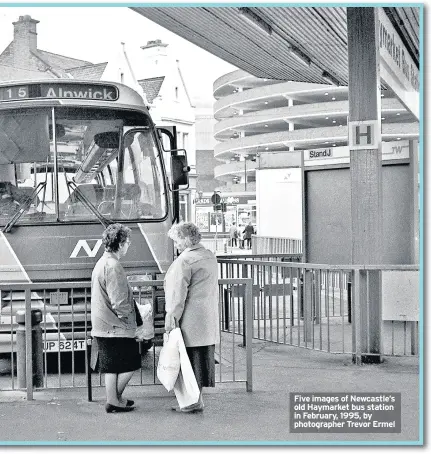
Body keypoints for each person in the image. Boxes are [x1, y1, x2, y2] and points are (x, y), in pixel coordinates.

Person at [164, 222, 219, 413]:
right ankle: (196, 400)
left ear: (186, 240)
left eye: (178, 240)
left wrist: (171, 320)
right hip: (207, 318)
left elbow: (176, 296)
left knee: (189, 362)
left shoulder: (184, 261)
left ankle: (192, 402)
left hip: (190, 319)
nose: (176, 245)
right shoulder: (209, 256)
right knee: (201, 360)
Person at [91, 223, 140, 413]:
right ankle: (113, 400)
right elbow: (119, 301)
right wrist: (132, 323)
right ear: (120, 244)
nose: (128, 245)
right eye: (127, 242)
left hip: (103, 324)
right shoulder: (113, 266)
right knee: (131, 362)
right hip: (115, 325)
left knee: (111, 365)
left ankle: (115, 398)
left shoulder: (102, 262)